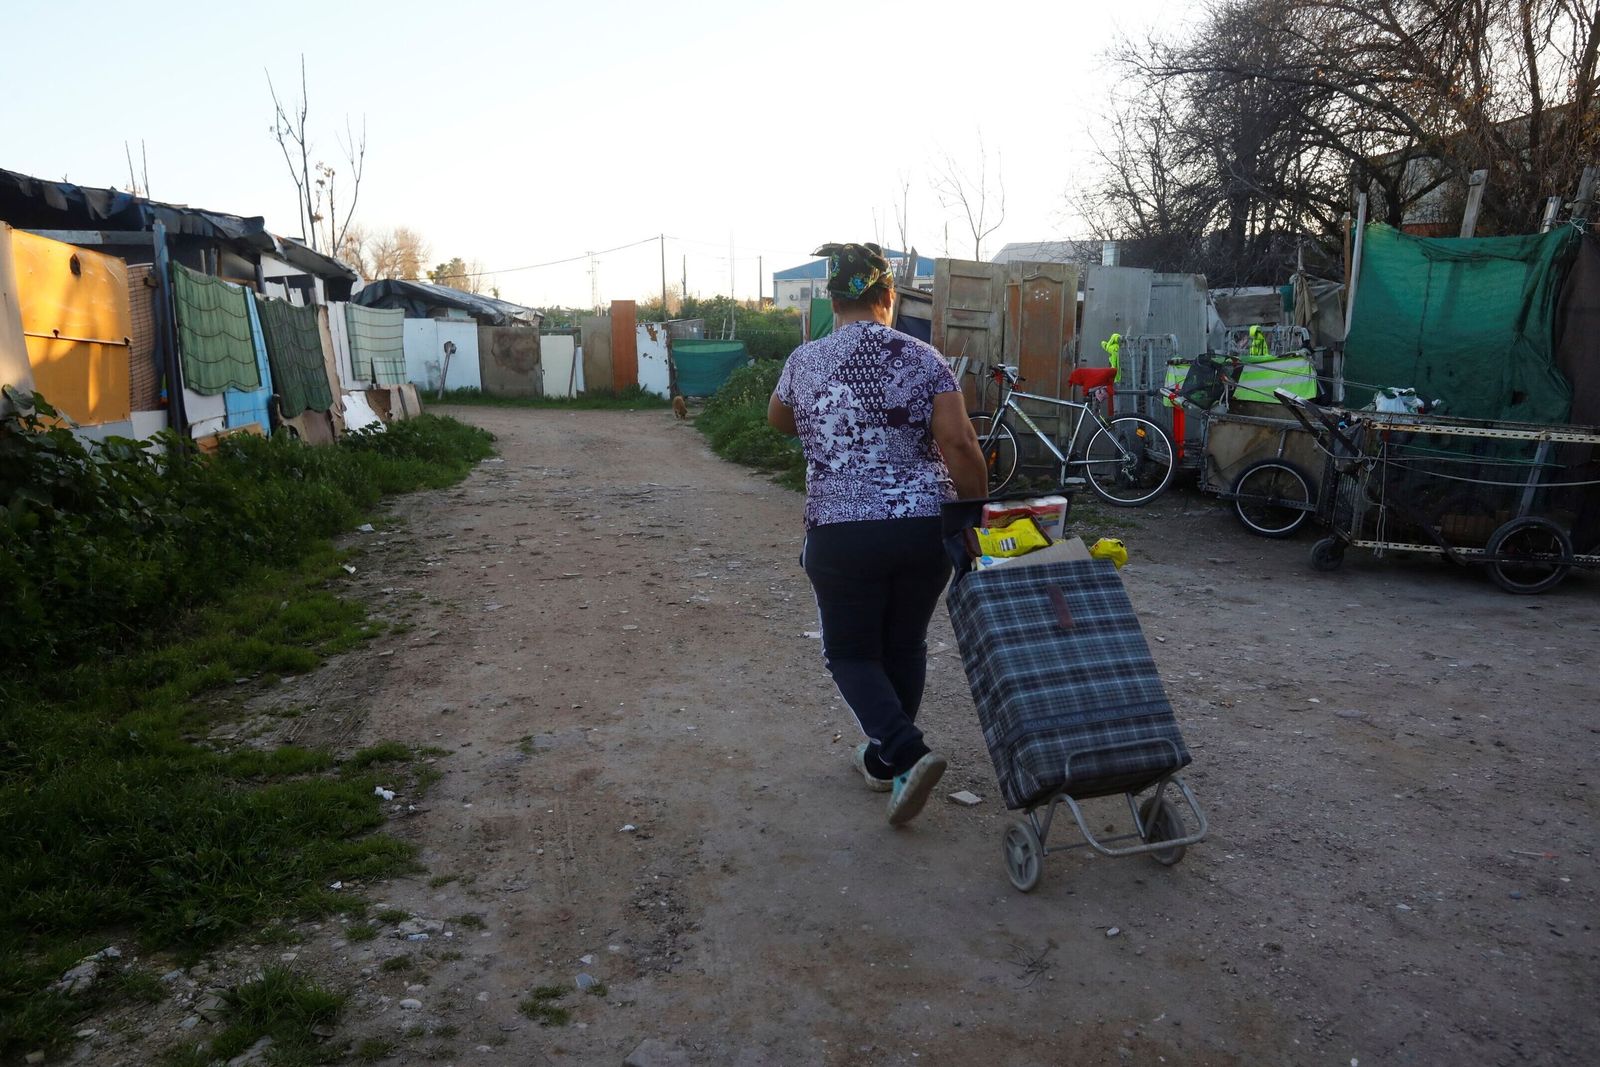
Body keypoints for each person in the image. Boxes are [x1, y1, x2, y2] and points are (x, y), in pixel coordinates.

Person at [767, 242, 988, 827]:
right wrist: (971, 514)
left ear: (832, 299)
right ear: (887, 297)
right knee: (904, 644)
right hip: (923, 526)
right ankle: (888, 760)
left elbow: (779, 420)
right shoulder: (924, 358)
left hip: (842, 530)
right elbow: (960, 445)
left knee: (849, 652)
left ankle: (907, 754)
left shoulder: (805, 361)